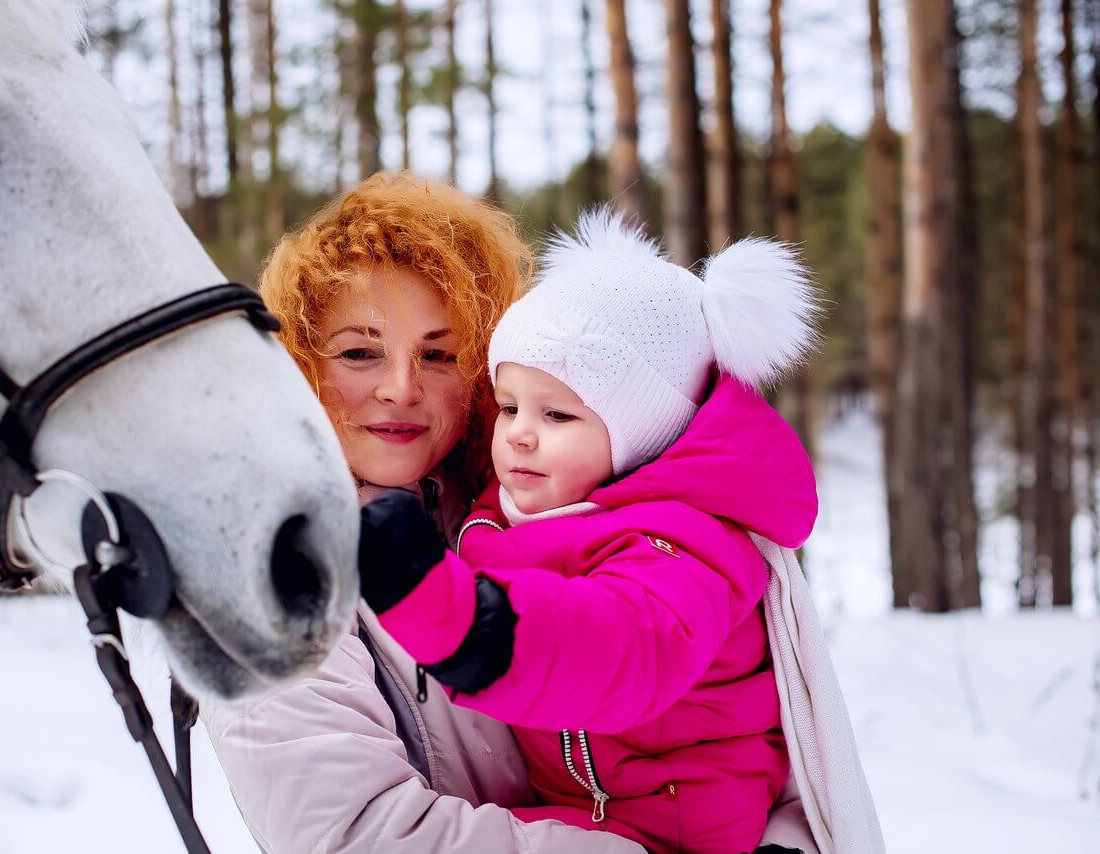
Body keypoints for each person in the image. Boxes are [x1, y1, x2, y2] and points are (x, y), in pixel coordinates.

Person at [199, 174, 644, 853]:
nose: (401, 389)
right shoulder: (263, 568)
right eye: (359, 352)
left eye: (438, 355)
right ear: (299, 364)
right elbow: (357, 835)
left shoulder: (535, 508)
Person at [357, 211, 822, 853]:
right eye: (509, 407)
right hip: (583, 809)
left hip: (680, 828)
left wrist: (463, 618)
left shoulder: (685, 541)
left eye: (557, 415)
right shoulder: (512, 511)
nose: (519, 434)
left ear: (641, 433)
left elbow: (626, 642)